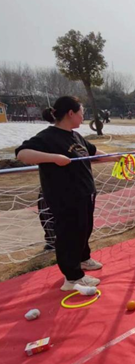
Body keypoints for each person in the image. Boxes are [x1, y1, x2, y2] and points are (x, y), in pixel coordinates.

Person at [16, 96, 113, 290]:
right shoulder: (47, 137)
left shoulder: (75, 136)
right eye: (81, 113)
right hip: (64, 196)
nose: (83, 117)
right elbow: (22, 154)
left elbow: (93, 152)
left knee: (85, 228)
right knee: (69, 233)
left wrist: (117, 157)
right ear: (70, 113)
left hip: (85, 193)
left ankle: (83, 259)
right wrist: (53, 158)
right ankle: (73, 278)